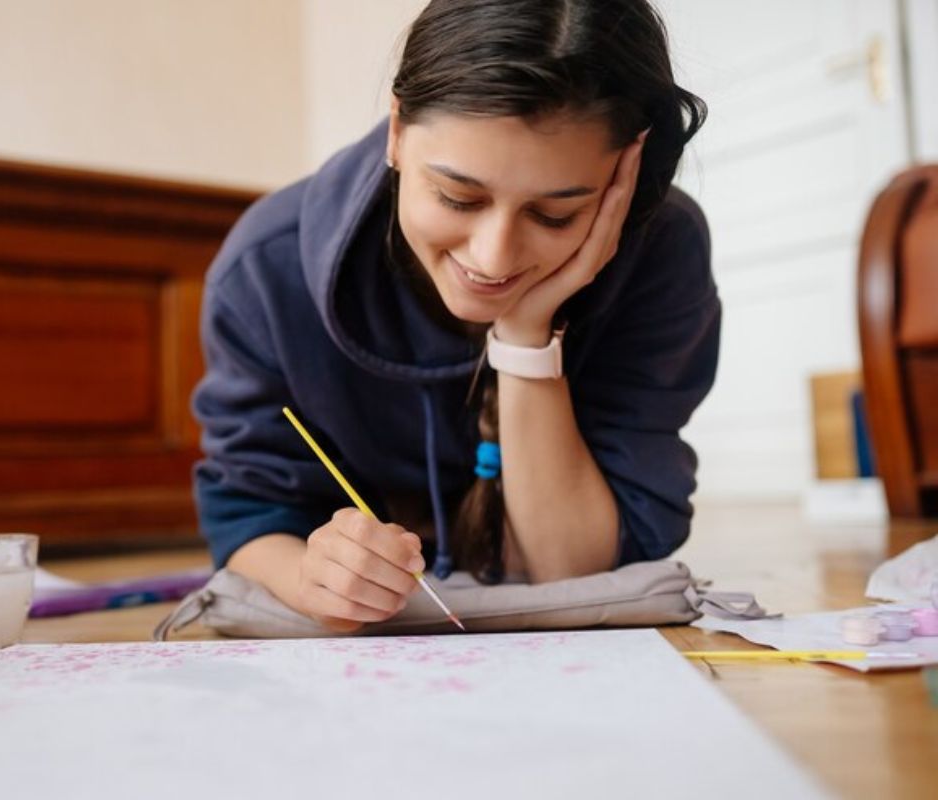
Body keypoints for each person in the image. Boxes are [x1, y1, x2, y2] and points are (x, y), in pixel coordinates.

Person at [192, 0, 716, 633]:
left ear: (622, 176)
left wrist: (526, 336)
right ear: (396, 131)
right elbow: (249, 517)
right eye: (457, 196)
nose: (493, 258)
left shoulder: (661, 250)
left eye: (555, 215)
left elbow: (577, 568)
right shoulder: (264, 271)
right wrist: (313, 574)